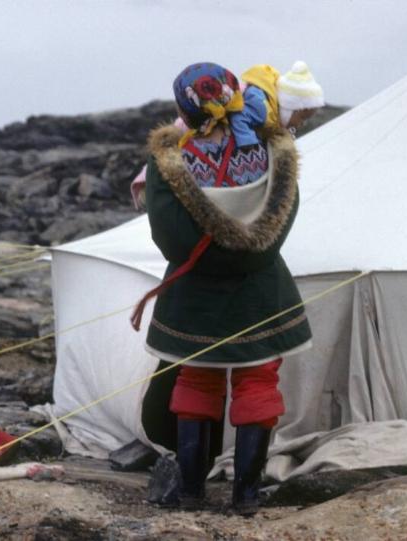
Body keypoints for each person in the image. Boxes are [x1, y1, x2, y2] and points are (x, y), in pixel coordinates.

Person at [136, 62, 312, 515]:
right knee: (258, 383)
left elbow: (169, 237)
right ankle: (247, 496)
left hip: (194, 294)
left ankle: (192, 491)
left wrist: (206, 260)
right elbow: (284, 215)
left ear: (184, 106)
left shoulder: (170, 159)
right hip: (261, 289)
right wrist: (251, 254)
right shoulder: (275, 150)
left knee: (196, 380)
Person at [130, 60, 324, 209]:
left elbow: (168, 231)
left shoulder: (169, 161)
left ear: (186, 110)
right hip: (258, 257)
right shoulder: (271, 151)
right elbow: (285, 207)